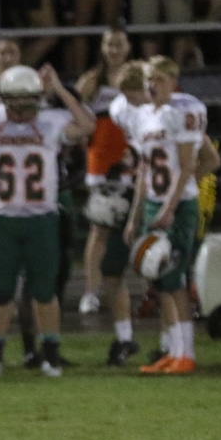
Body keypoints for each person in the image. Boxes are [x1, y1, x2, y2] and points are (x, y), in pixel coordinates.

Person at [0, 59, 95, 378]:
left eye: (29, 103)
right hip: (2, 218)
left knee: (44, 292)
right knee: (0, 292)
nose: (23, 111)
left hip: (42, 218)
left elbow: (87, 125)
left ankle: (50, 355)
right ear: (4, 99)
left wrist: (60, 90)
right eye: (17, 103)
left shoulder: (51, 120)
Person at [122, 56, 207, 375]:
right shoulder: (141, 116)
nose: (152, 85)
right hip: (154, 203)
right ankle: (173, 350)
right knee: (159, 282)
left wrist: (169, 208)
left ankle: (186, 353)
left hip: (179, 205)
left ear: (172, 82)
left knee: (175, 280)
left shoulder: (180, 113)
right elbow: (144, 170)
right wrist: (135, 216)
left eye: (158, 79)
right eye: (148, 79)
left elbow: (187, 166)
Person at [96, 62, 152, 365]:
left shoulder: (165, 111)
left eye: (136, 92)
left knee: (162, 274)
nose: (132, 99)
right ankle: (125, 338)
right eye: (127, 93)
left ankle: (174, 344)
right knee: (111, 268)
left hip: (159, 194)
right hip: (134, 191)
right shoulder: (119, 108)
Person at [76, 28, 133, 316]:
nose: (114, 50)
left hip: (134, 161)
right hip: (101, 163)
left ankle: (147, 290)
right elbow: (76, 119)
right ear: (102, 48)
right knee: (100, 228)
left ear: (128, 46)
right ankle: (91, 292)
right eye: (110, 44)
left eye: (119, 44)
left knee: (140, 225)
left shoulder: (137, 78)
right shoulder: (91, 81)